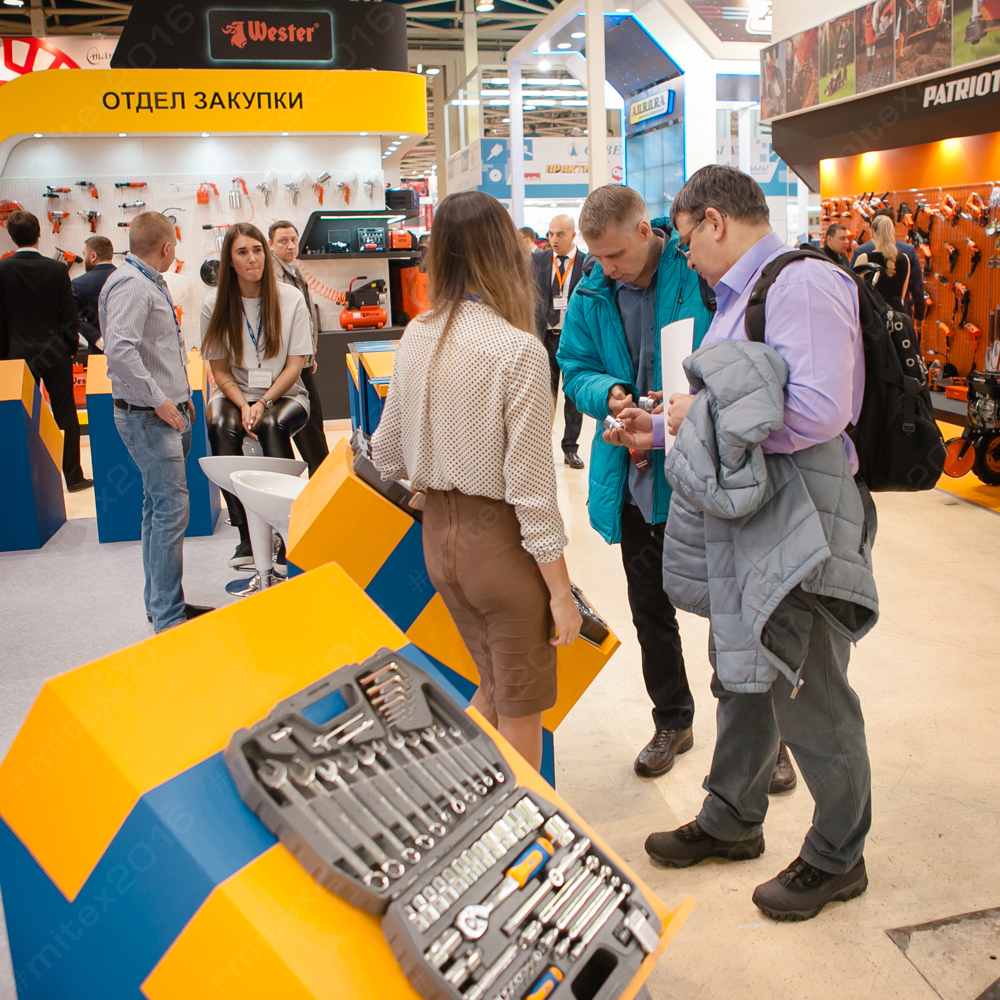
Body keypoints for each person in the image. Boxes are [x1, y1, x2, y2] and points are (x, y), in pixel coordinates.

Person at [617, 164, 875, 921]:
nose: (685, 255)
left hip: (803, 526)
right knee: (742, 676)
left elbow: (820, 411)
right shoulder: (739, 298)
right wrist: (660, 429)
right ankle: (732, 818)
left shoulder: (801, 285)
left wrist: (698, 411)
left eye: (685, 238)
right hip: (755, 522)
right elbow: (733, 416)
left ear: (715, 221)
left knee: (810, 691)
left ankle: (838, 855)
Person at [371, 191, 582, 770]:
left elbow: (386, 450)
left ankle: (453, 787)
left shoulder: (418, 333)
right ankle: (517, 821)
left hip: (440, 544)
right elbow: (533, 494)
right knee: (522, 712)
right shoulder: (518, 350)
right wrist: (561, 595)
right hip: (500, 553)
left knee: (491, 686)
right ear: (505, 252)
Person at [556, 185, 717, 780]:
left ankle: (762, 736)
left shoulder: (696, 272)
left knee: (732, 611)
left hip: (700, 476)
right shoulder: (591, 290)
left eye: (616, 255)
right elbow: (574, 367)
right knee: (650, 610)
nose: (607, 267)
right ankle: (673, 719)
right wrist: (610, 394)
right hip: (635, 479)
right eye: (597, 256)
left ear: (646, 231)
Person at [100, 212, 213, 629]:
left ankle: (163, 604)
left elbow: (158, 347)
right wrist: (161, 400)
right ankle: (168, 618)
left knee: (158, 508)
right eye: (175, 246)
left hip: (165, 412)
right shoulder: (132, 284)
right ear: (166, 247)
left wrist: (181, 396)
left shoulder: (147, 280)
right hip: (149, 418)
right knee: (170, 511)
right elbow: (120, 352)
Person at [201, 223, 312, 569]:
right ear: (229, 260)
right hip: (234, 393)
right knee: (220, 424)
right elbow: (220, 371)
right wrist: (243, 404)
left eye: (257, 250)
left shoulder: (290, 298)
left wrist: (262, 403)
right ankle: (246, 536)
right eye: (242, 252)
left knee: (271, 425)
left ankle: (287, 531)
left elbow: (295, 367)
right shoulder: (213, 305)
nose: (252, 259)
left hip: (286, 393)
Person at [0, 210, 90, 491]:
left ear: (11, 237)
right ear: (40, 234)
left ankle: (28, 482)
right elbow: (69, 317)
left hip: (17, 357)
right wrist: (69, 350)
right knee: (65, 413)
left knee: (22, 418)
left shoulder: (2, 270)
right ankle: (73, 477)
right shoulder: (56, 269)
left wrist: (4, 358)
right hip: (55, 354)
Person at [268, 220, 329, 477]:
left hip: (300, 360)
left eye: (293, 239)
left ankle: (320, 478)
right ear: (271, 244)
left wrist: (310, 354)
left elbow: (304, 318)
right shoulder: (271, 275)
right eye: (283, 241)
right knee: (307, 424)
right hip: (286, 365)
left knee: (310, 422)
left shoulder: (293, 270)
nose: (290, 245)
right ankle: (321, 480)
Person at [533, 214, 585, 469]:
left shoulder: (586, 263)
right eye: (551, 234)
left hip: (573, 340)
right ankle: (542, 449)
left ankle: (570, 449)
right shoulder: (538, 261)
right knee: (545, 397)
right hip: (545, 338)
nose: (554, 239)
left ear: (573, 235)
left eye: (560, 234)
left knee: (572, 397)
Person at [851, 207, 924, 320]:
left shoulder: (861, 253)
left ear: (872, 229)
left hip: (871, 318)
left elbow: (853, 291)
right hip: (899, 316)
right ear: (893, 227)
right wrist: (919, 315)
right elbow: (916, 286)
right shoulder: (906, 254)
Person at [853, 213, 911, 312]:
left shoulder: (864, 259)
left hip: (873, 315)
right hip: (897, 315)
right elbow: (902, 296)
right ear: (893, 231)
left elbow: (856, 293)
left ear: (872, 233)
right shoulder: (905, 259)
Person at [72, 235, 116, 353]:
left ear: (93, 256)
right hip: (131, 349)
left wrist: (98, 340)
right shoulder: (127, 279)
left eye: (84, 254)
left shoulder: (78, 284)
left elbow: (75, 318)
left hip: (97, 352)